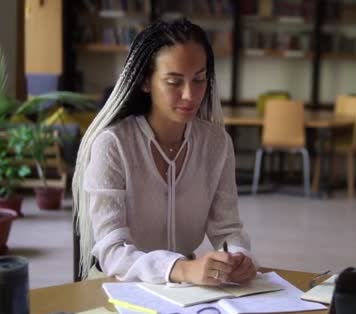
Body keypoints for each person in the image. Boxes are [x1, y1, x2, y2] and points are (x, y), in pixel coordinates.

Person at [72, 19, 257, 285]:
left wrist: (239, 257)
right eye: (174, 81)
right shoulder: (113, 144)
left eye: (199, 79)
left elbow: (227, 229)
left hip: (182, 286)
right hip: (116, 282)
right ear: (146, 82)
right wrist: (182, 269)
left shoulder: (216, 143)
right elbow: (112, 251)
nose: (190, 95)